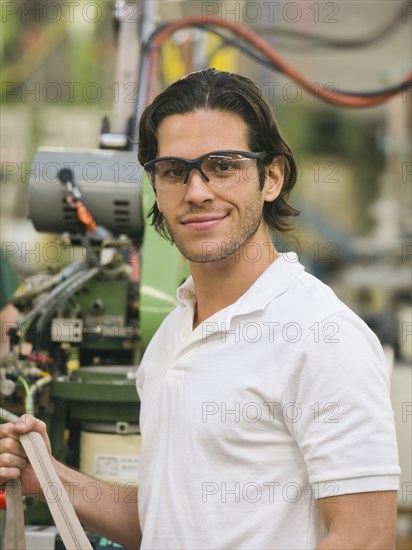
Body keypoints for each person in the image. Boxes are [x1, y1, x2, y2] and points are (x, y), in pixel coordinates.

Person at [0, 68, 400, 549]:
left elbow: (367, 537)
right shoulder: (172, 337)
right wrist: (50, 478)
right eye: (174, 171)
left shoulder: (321, 335)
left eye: (223, 166)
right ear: (154, 189)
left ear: (271, 177)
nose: (197, 191)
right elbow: (164, 520)